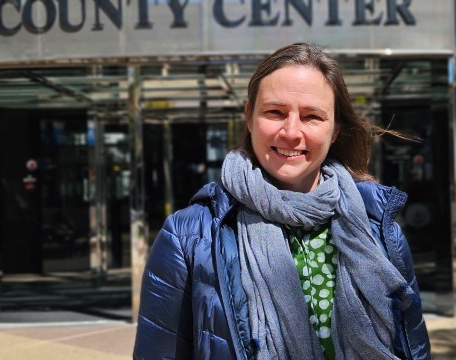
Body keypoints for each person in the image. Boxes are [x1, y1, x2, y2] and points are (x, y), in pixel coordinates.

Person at [134, 43, 432, 360]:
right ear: (249, 117)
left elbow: (413, 348)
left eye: (312, 116)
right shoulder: (188, 237)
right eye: (275, 112)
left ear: (334, 131)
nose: (291, 132)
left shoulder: (380, 229)